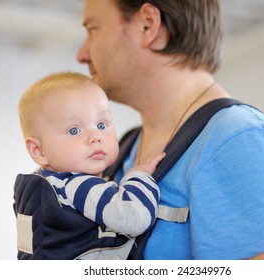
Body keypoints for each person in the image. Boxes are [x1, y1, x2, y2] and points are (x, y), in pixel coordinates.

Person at [76, 0, 264, 260]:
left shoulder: (241, 142)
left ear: (148, 25)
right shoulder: (121, 149)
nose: (82, 54)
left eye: (92, 29)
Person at [14, 71, 165, 259]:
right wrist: (138, 176)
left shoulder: (46, 185)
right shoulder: (76, 186)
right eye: (74, 130)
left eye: (102, 125)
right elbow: (135, 217)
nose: (95, 137)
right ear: (39, 151)